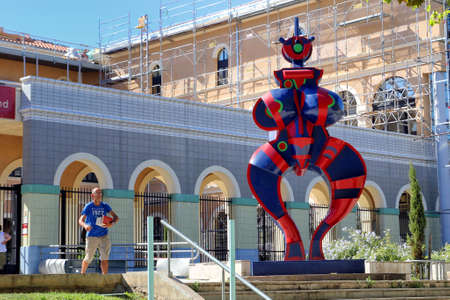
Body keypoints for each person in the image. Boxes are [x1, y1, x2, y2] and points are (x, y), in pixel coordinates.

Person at [78, 187, 119, 274]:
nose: (100, 195)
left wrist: (111, 223)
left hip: (104, 235)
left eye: (100, 193)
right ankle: (82, 274)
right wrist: (85, 225)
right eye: (97, 193)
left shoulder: (105, 206)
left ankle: (105, 277)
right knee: (89, 257)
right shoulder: (89, 206)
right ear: (93, 195)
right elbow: (80, 220)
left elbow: (116, 217)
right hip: (92, 235)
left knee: (105, 258)